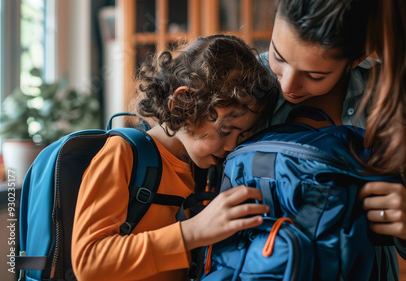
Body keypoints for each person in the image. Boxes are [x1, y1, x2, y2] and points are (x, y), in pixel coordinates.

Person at [260, 0, 406, 279]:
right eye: (278, 56)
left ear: (355, 60)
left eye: (315, 75)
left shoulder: (388, 96)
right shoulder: (243, 85)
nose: (287, 84)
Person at [71, 35, 278, 281]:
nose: (232, 145)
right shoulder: (122, 153)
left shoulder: (207, 170)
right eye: (225, 129)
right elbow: (88, 262)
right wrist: (192, 232)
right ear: (183, 102)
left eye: (242, 135)